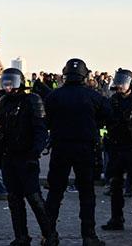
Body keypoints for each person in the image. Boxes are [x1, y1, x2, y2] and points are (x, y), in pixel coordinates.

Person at [44, 58, 110, 246]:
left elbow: (45, 119)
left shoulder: (54, 96)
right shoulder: (92, 96)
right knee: (86, 193)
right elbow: (109, 113)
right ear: (84, 75)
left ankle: (49, 234)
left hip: (61, 148)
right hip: (85, 148)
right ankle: (88, 235)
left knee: (55, 192)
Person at [0, 68, 57, 246]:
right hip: (9, 157)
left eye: (10, 82)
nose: (7, 85)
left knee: (34, 198)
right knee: (14, 199)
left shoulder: (32, 100)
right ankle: (21, 236)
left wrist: (34, 153)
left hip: (26, 157)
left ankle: (50, 234)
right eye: (5, 82)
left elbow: (40, 130)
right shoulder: (3, 102)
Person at [101, 69, 132, 233]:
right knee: (115, 184)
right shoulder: (113, 100)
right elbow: (107, 118)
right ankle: (116, 218)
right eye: (118, 82)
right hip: (117, 146)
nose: (119, 85)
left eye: (122, 82)